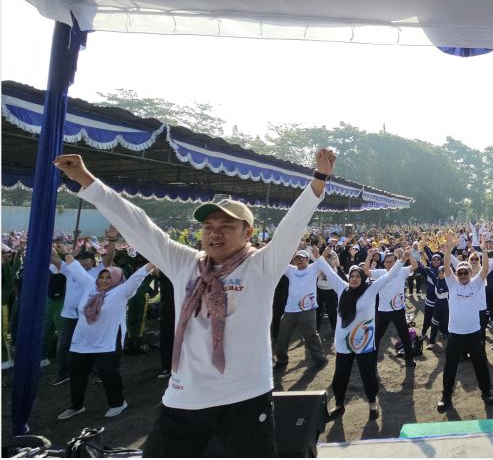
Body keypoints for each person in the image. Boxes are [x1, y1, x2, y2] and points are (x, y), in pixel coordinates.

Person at [54, 148, 335, 457]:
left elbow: (292, 226)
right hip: (186, 396)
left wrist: (319, 179)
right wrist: (87, 180)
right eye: (209, 227)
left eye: (227, 227)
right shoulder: (183, 262)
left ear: (248, 232)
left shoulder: (262, 266)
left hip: (247, 394)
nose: (215, 233)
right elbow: (138, 224)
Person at [52, 244, 153, 420]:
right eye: (102, 277)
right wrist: (66, 252)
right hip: (83, 340)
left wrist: (156, 260)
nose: (104, 280)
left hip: (108, 340)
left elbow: (138, 276)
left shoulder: (122, 291)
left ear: (117, 279)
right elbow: (76, 269)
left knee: (108, 373)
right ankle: (76, 406)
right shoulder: (91, 287)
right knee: (77, 375)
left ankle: (118, 403)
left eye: (108, 278)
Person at [321, 256, 406, 421]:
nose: (354, 279)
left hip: (364, 342)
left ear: (363, 278)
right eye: (352, 276)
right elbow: (329, 273)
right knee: (340, 374)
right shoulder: (342, 288)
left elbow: (389, 276)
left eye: (358, 276)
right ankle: (339, 404)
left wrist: (401, 261)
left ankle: (373, 403)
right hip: (345, 342)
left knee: (368, 374)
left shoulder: (371, 289)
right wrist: (317, 257)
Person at [437, 234, 493, 412]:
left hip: (474, 332)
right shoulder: (452, 284)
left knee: (480, 363)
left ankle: (486, 392)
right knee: (450, 366)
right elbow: (447, 267)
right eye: (459, 272)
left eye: (465, 272)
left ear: (471, 273)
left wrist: (484, 250)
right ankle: (446, 396)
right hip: (455, 333)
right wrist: (447, 250)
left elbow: (484, 270)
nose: (462, 275)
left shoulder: (476, 284)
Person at [49, 248, 108, 386]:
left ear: (93, 261)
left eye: (85, 259)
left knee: (93, 343)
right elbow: (53, 258)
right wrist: (54, 244)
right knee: (64, 346)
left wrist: (112, 241)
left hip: (89, 316)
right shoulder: (70, 270)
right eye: (79, 259)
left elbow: (110, 256)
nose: (81, 262)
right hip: (70, 316)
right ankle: (64, 372)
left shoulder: (98, 272)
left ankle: (98, 371)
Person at [274, 248, 330, 370]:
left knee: (311, 336)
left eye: (301, 258)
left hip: (307, 310)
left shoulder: (313, 268)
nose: (299, 260)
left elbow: (323, 258)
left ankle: (320, 359)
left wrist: (328, 246)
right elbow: (278, 261)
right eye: (297, 258)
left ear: (307, 259)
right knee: (282, 337)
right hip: (290, 311)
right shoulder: (291, 270)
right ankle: (281, 361)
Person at [372, 247, 419, 367]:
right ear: (384, 263)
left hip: (398, 310)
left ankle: (409, 358)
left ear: (396, 261)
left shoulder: (402, 270)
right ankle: (371, 358)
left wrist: (409, 255)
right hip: (383, 311)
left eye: (391, 261)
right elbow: (366, 271)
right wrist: (369, 257)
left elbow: (414, 266)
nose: (389, 264)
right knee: (377, 336)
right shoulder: (380, 272)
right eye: (387, 262)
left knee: (404, 335)